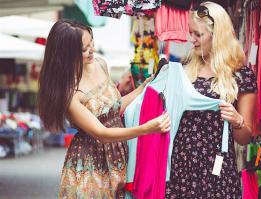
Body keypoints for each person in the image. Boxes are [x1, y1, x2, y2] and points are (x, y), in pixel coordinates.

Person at [38, 20, 170, 199]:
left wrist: (143, 88)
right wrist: (147, 129)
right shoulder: (69, 93)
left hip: (118, 152)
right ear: (67, 54)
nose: (91, 49)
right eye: (84, 49)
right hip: (90, 162)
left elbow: (113, 109)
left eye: (91, 42)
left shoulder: (100, 64)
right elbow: (102, 133)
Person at [165, 1, 257, 198]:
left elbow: (245, 138)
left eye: (198, 34)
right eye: (191, 33)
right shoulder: (184, 69)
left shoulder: (240, 76)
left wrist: (237, 120)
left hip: (218, 171)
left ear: (217, 36)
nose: (193, 40)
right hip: (181, 167)